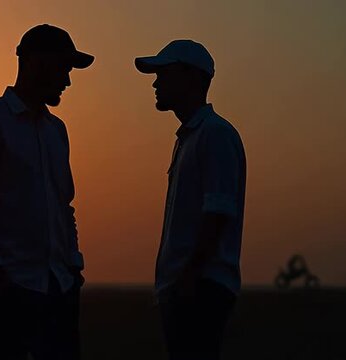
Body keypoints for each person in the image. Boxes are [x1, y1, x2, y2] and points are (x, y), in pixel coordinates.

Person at [0, 24, 92, 360]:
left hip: (58, 287)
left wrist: (73, 267)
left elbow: (64, 206)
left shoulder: (56, 131)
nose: (68, 80)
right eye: (63, 68)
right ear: (37, 64)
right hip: (10, 288)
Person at [135, 40, 247, 360]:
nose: (156, 83)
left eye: (164, 73)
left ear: (193, 78)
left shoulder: (215, 134)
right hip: (190, 286)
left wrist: (188, 277)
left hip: (201, 288)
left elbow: (218, 210)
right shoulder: (194, 136)